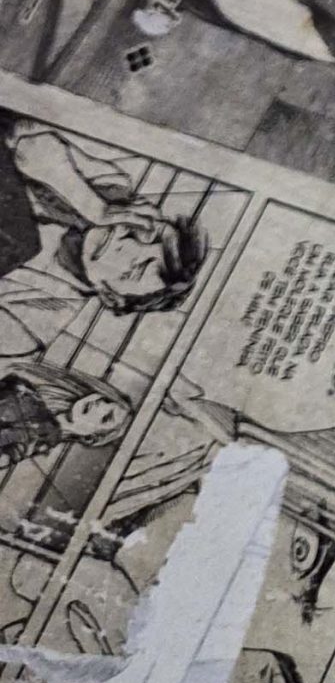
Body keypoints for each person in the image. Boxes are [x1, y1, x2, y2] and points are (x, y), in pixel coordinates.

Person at [0, 117, 203, 361]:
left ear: (111, 296)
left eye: (132, 270)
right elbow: (27, 138)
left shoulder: (37, 321)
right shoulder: (113, 189)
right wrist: (92, 204)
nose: (125, 243)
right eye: (147, 235)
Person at [0, 363, 130, 468]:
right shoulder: (31, 391)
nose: (100, 406)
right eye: (106, 400)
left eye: (106, 418)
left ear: (90, 437)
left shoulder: (32, 442)